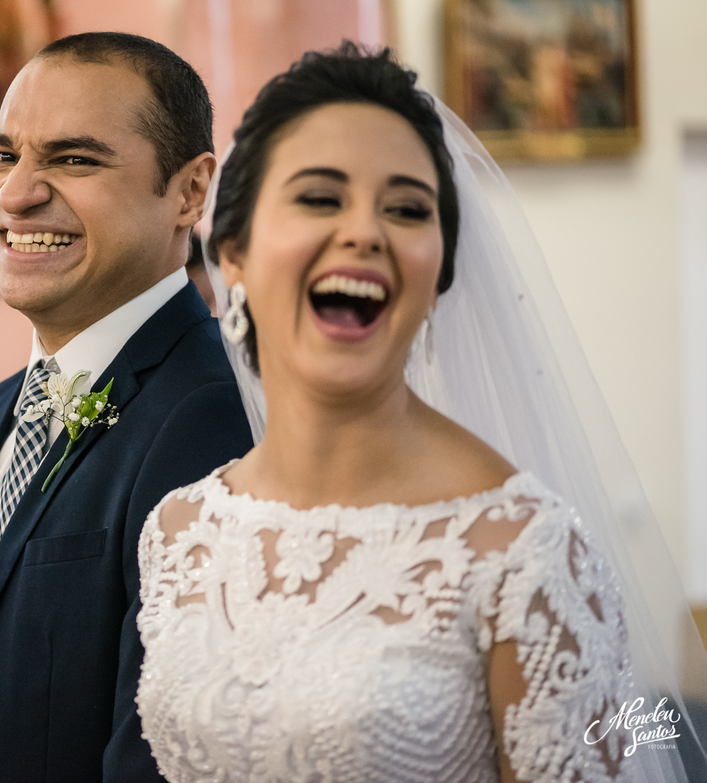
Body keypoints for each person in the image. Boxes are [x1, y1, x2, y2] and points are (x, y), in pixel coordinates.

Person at [135, 44, 707, 782]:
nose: (365, 232)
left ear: (438, 276)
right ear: (233, 251)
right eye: (319, 197)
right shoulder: (181, 532)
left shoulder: (524, 552)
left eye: (407, 209)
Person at [0, 32, 253, 782]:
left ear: (190, 191)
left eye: (73, 158)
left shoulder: (211, 412)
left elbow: (161, 755)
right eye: (1, 155)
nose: (16, 193)